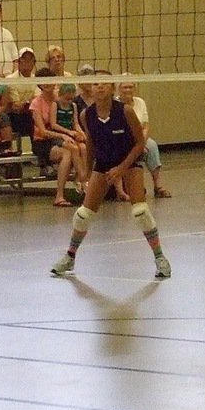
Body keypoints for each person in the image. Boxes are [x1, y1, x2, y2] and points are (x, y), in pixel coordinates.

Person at [50, 71, 171, 279]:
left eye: (104, 83)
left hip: (129, 161)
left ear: (112, 88)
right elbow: (90, 143)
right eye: (95, 83)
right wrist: (86, 173)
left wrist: (121, 169)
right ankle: (70, 256)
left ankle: (160, 258)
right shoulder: (86, 115)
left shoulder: (125, 111)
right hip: (104, 163)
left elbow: (141, 144)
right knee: (83, 214)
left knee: (140, 211)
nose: (99, 87)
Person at [29, 68, 79, 206]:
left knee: (79, 147)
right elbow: (44, 132)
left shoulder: (60, 100)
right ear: (39, 84)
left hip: (59, 139)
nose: (47, 83)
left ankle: (82, 182)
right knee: (67, 153)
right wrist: (64, 134)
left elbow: (71, 121)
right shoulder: (36, 103)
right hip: (42, 142)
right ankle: (60, 195)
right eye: (43, 81)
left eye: (49, 79)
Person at [118, 79, 171, 198]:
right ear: (118, 89)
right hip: (122, 139)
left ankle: (158, 186)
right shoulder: (116, 104)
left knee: (151, 145)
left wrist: (142, 143)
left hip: (139, 138)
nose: (128, 90)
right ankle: (125, 188)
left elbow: (146, 126)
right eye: (125, 87)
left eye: (130, 87)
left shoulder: (140, 102)